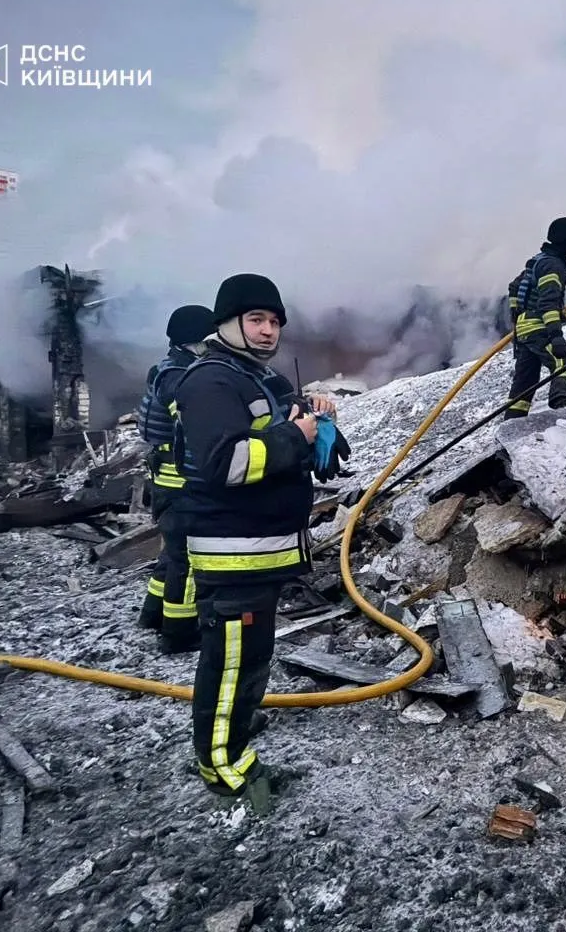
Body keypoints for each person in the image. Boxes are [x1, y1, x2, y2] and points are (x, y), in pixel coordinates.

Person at [171, 273, 347, 802]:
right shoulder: (210, 382)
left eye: (274, 321)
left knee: (249, 661)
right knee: (231, 666)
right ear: (227, 322)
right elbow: (228, 463)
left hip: (256, 556)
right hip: (232, 557)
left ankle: (237, 735)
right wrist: (295, 436)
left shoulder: (252, 377)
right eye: (256, 319)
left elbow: (273, 422)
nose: (269, 330)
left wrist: (311, 416)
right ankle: (222, 765)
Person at [135, 304, 216, 655]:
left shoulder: (169, 367)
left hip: (167, 481)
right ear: (194, 340)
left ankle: (152, 615)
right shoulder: (177, 376)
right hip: (181, 483)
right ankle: (179, 633)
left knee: (172, 554)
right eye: (209, 339)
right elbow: (191, 419)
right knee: (188, 559)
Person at [503, 216, 566, 419]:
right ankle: (562, 413)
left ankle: (511, 424)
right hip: (538, 327)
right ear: (564, 241)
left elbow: (514, 287)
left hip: (524, 329)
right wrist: (556, 336)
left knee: (525, 381)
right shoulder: (554, 265)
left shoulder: (540, 260)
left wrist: (518, 315)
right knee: (562, 362)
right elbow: (548, 303)